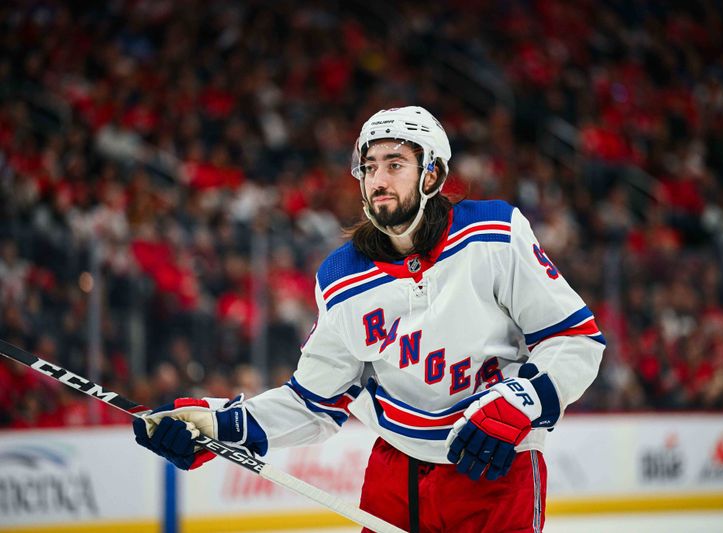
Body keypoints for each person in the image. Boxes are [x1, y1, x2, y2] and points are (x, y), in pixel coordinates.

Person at [133, 106, 605, 533]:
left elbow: (576, 339)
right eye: (369, 166)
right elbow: (313, 402)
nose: (378, 179)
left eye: (395, 165)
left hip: (495, 465)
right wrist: (214, 426)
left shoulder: (495, 235)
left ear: (432, 175)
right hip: (396, 477)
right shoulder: (341, 278)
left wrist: (523, 401)